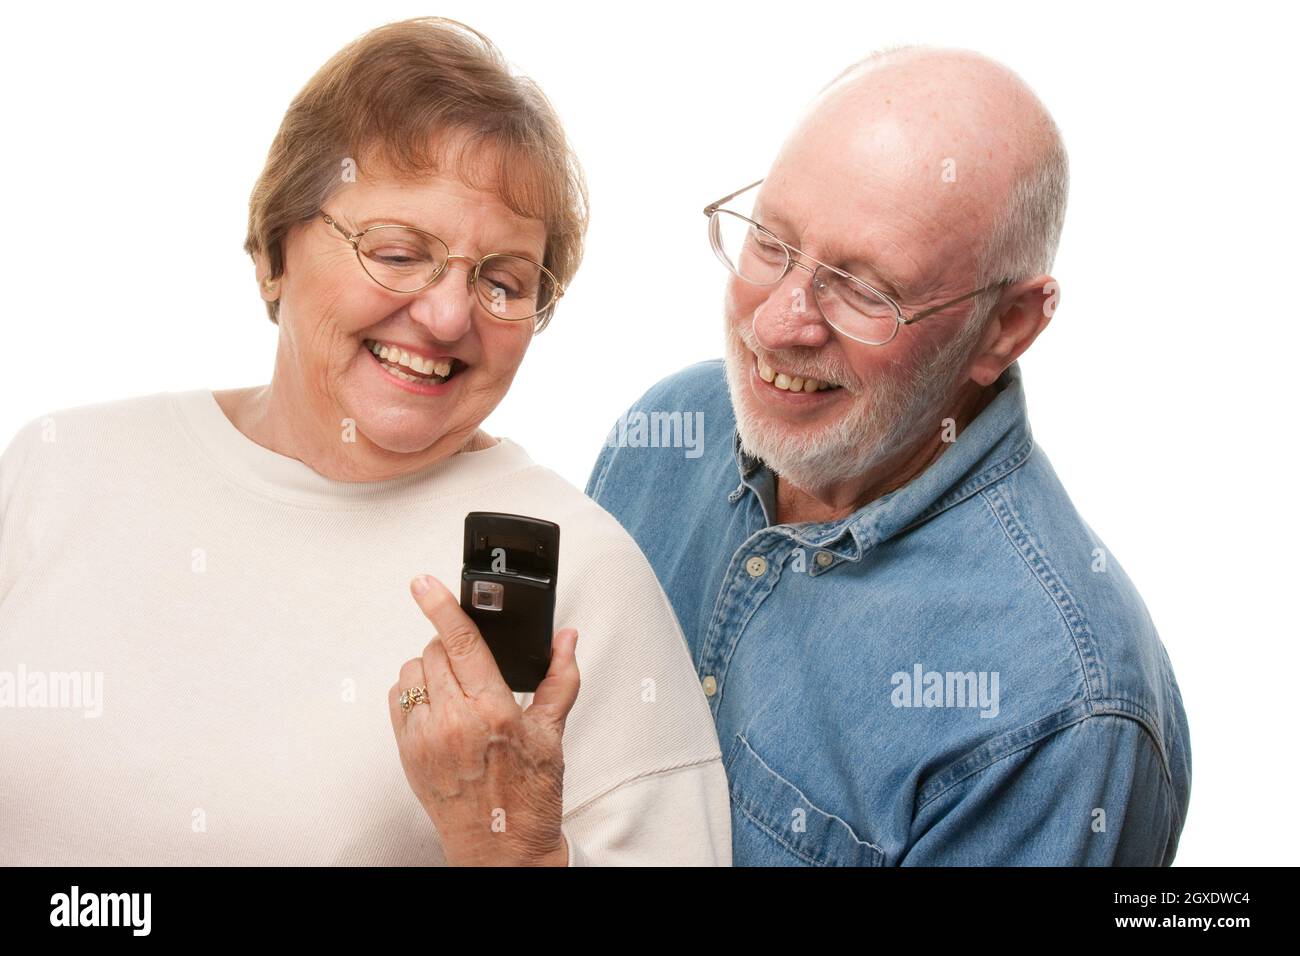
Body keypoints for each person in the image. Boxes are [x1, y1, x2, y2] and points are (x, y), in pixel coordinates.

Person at [0, 17, 730, 866]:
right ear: (276, 249)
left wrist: (516, 850)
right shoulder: (59, 466)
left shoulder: (585, 577)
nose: (449, 316)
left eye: (502, 282)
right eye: (396, 251)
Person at [587, 45, 1191, 865]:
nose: (776, 325)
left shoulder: (1062, 717)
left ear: (1007, 327)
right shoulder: (669, 427)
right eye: (769, 241)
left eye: (865, 289)